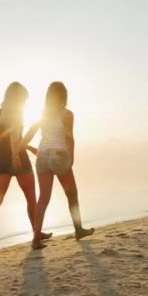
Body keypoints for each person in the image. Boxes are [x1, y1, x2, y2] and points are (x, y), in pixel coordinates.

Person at [0, 82, 52, 252]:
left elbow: (6, 137)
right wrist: (16, 154)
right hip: (17, 157)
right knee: (31, 197)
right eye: (23, 99)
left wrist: (29, 147)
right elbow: (13, 138)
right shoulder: (16, 113)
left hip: (2, 159)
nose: (25, 103)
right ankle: (36, 233)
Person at [19, 81, 94, 249]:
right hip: (59, 156)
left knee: (43, 198)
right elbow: (69, 137)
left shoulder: (42, 115)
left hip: (43, 157)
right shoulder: (67, 114)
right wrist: (71, 157)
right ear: (64, 96)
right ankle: (78, 229)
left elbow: (30, 133)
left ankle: (36, 240)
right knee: (71, 194)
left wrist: (24, 147)